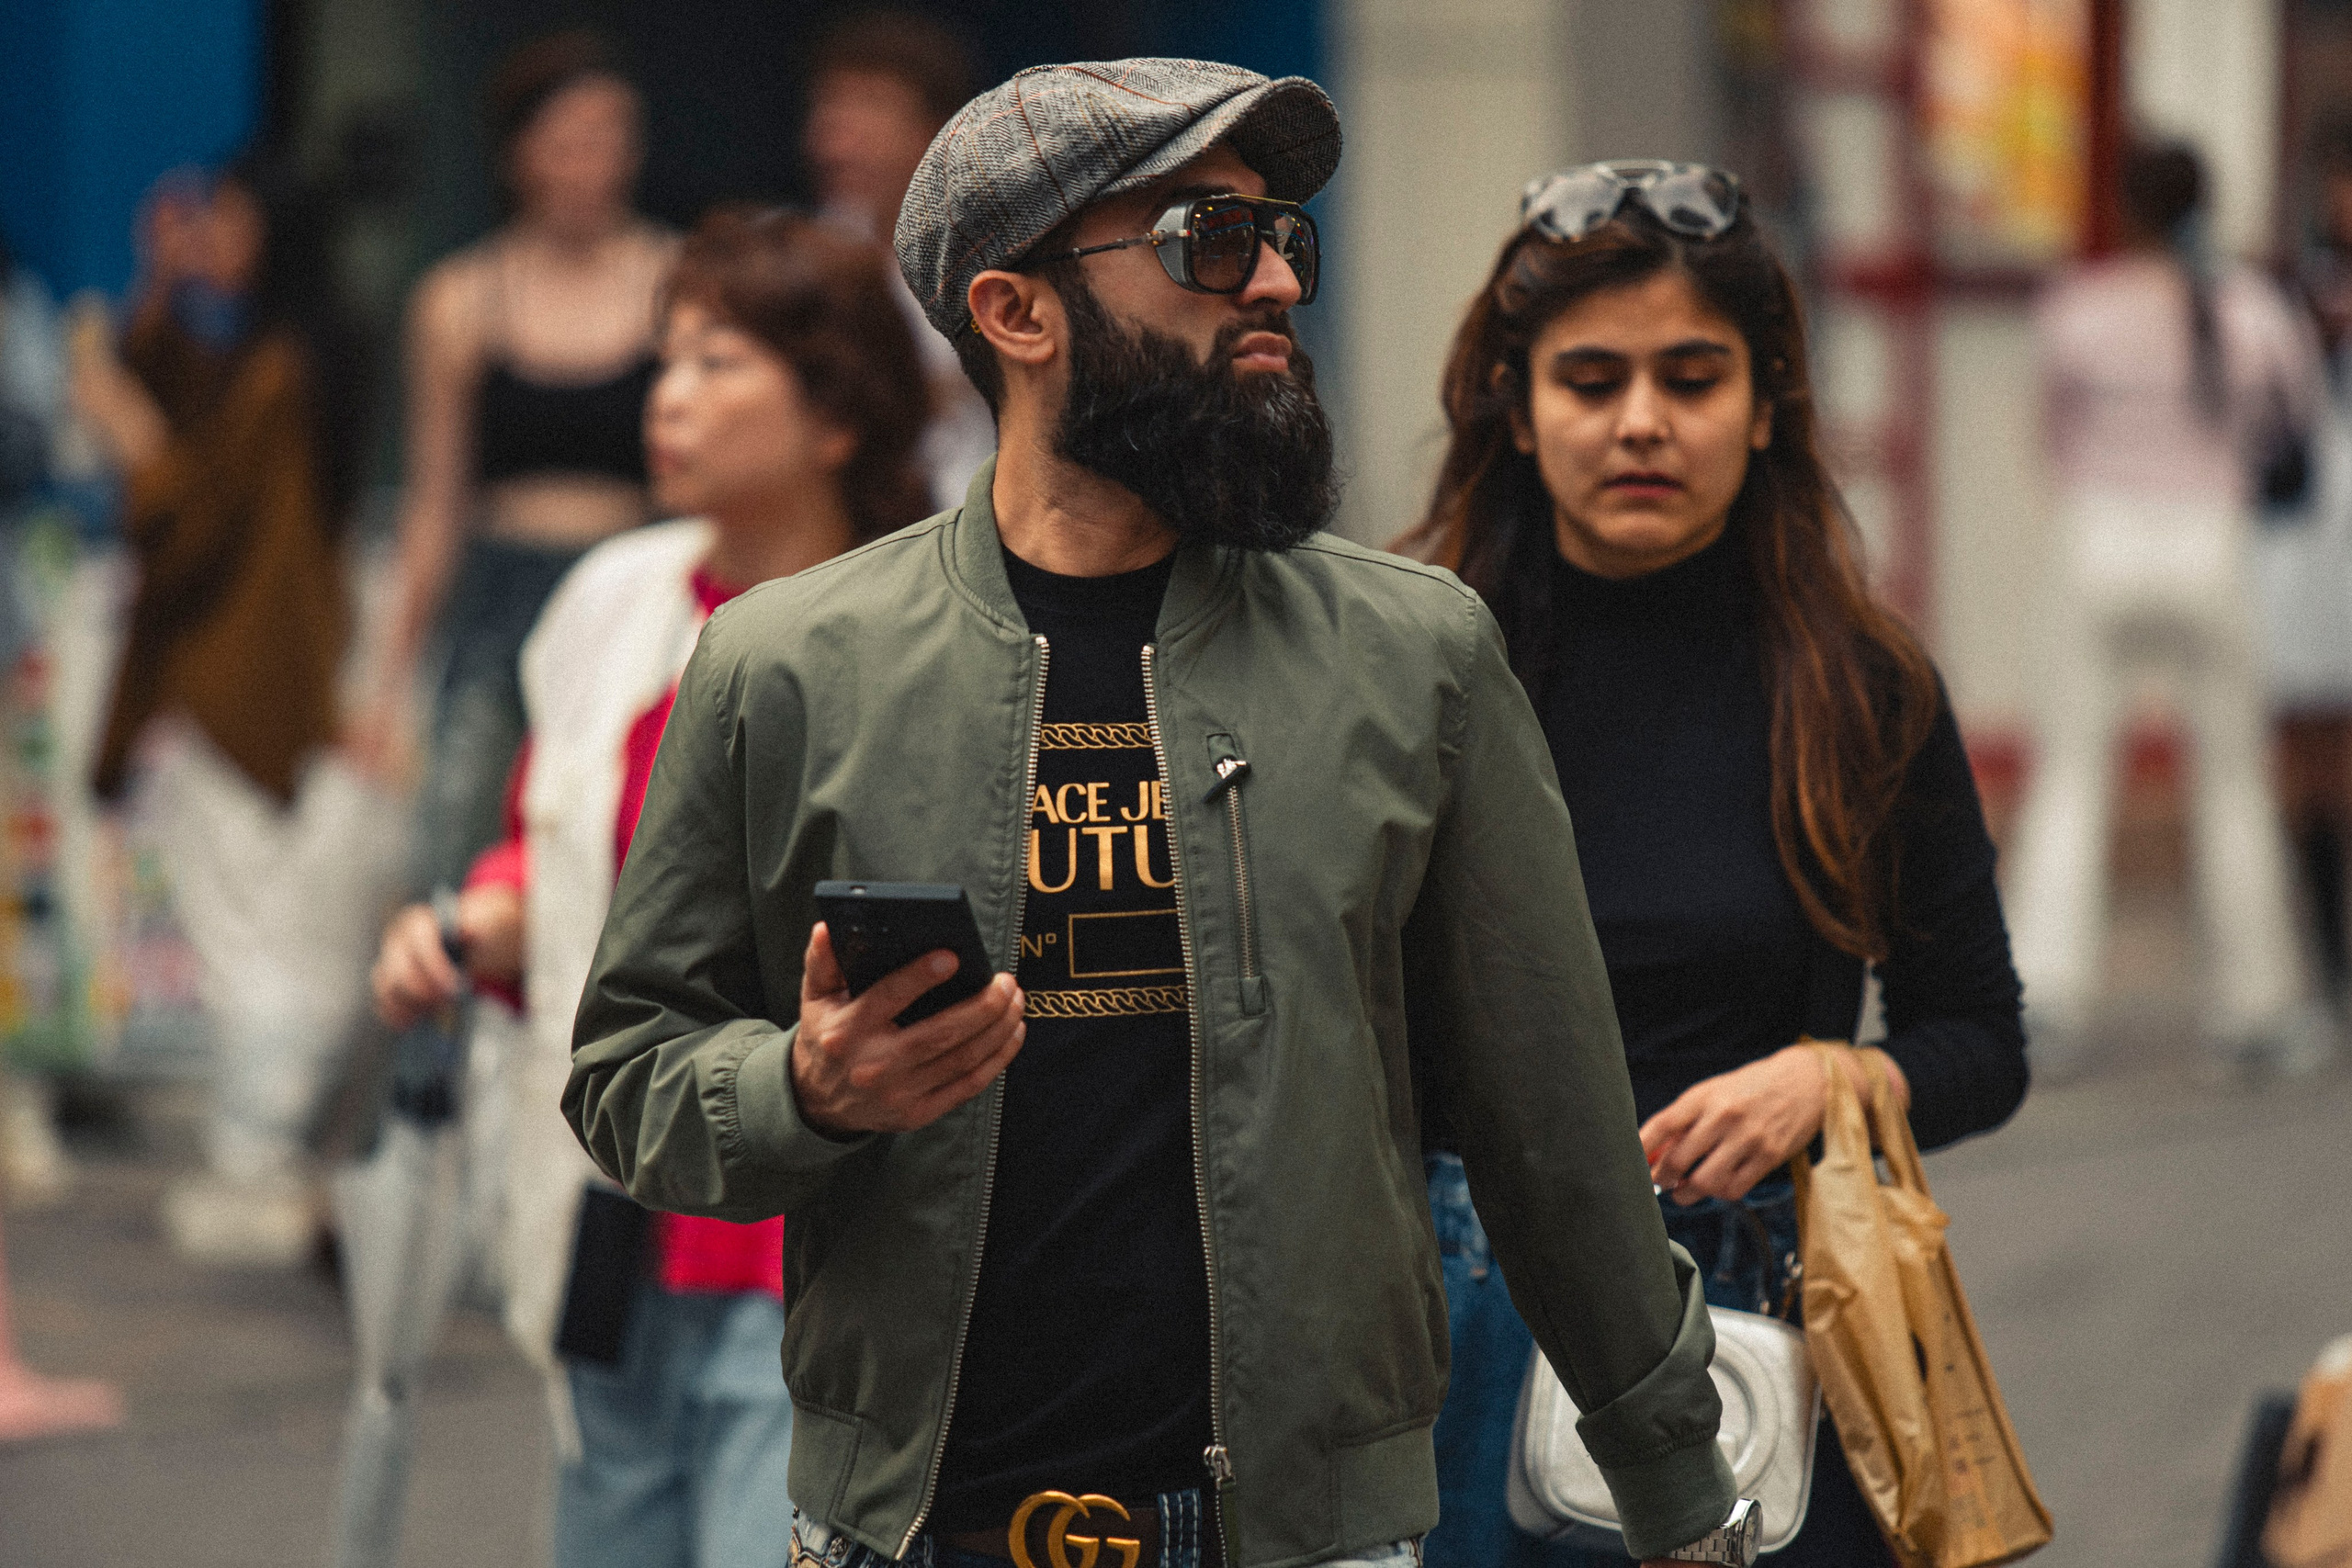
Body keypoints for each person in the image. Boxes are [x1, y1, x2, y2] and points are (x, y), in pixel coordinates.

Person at [566, 60, 1747, 1568]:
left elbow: (1555, 1129)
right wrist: (807, 1085)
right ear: (1015, 311)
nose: (1269, 282)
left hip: (1307, 1538)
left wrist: (1678, 1494)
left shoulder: (1416, 655)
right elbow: (627, 1070)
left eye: (1283, 239)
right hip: (912, 1532)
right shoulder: (785, 663)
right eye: (1207, 238)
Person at [1390, 160, 2030, 1568]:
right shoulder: (1400, 669)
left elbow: (1984, 1037)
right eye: (1591, 378)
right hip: (1445, 1332)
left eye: (1692, 376)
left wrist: (1836, 1077)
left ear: (1766, 403)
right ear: (1515, 398)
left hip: (1750, 1330)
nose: (1641, 423)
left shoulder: (1856, 685)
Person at [356, 207, 929, 1568]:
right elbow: (543, 833)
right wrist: (479, 920)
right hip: (618, 1203)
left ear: (838, 412)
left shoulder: (923, 624)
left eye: (717, 364)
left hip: (817, 1233)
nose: (666, 400)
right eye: (664, 361)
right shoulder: (618, 595)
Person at [70, 152, 397, 1263]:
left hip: (241, 693)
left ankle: (258, 1165)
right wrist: (157, 289)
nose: (205, 232)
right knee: (263, 933)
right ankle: (260, 1159)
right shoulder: (277, 357)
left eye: (225, 217)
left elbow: (185, 512)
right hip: (254, 693)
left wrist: (121, 426)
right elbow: (169, 378)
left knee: (256, 941)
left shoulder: (271, 374)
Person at [2008, 140, 2333, 1075]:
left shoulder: (2079, 307)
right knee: (2232, 781)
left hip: (2097, 539)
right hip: (2213, 544)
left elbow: (2051, 437)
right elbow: (2291, 431)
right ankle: (2257, 1007)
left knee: (2070, 775)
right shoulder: (2255, 309)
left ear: (2123, 206)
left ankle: (2045, 996)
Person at [361, 30, 673, 891]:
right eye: (568, 141)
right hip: (501, 591)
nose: (590, 165)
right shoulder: (460, 299)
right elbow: (435, 498)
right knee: (464, 836)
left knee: (630, 832)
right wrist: (389, 682)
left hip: (634, 580)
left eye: (612, 139)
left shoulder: (675, 282)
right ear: (519, 153)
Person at [804, 10, 993, 508]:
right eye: (831, 109)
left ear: (936, 130)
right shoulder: (802, 260)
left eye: (872, 108)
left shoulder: (995, 255)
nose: (838, 141)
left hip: (970, 512)